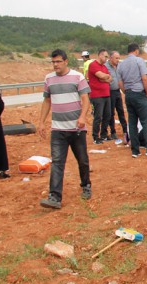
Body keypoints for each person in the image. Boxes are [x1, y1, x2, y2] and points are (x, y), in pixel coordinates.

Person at [38, 49, 92, 209]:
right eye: (53, 62)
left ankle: (86, 186)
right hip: (58, 129)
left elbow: (85, 99)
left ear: (66, 61)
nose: (56, 65)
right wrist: (41, 122)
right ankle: (54, 197)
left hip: (76, 129)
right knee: (57, 162)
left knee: (82, 160)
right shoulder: (48, 79)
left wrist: (83, 116)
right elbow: (47, 101)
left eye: (58, 61)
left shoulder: (78, 77)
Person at [117, 43, 147, 158]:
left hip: (129, 95)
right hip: (139, 94)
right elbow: (145, 78)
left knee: (132, 122)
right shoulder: (139, 61)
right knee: (146, 122)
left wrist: (126, 92)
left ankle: (135, 150)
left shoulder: (121, 64)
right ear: (136, 51)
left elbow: (120, 82)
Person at [87, 49, 113, 144]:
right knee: (98, 116)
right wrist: (104, 77)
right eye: (105, 56)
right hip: (97, 95)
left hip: (106, 94)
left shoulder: (104, 67)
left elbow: (110, 78)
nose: (107, 59)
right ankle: (95, 136)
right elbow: (101, 76)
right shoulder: (93, 65)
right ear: (100, 55)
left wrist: (104, 78)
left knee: (108, 115)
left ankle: (104, 134)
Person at [106, 51, 127, 141]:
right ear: (110, 58)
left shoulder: (120, 66)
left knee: (121, 111)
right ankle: (113, 131)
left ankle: (125, 130)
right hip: (110, 92)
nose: (118, 60)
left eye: (119, 58)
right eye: (116, 58)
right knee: (111, 113)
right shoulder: (106, 67)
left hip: (118, 91)